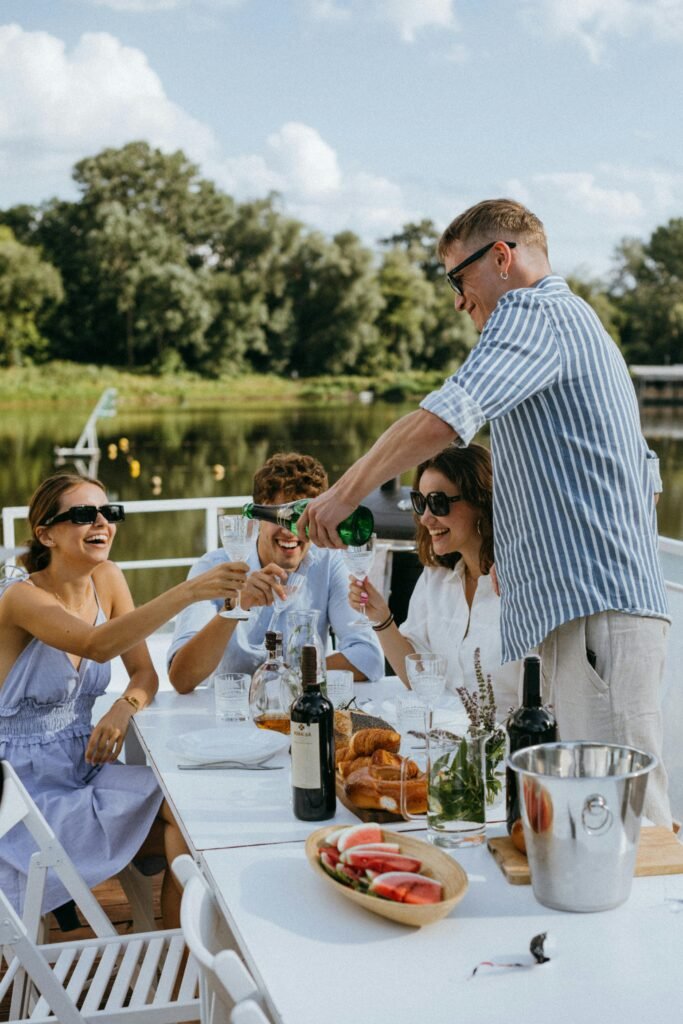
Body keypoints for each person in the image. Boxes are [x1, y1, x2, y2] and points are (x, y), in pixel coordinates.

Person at [299, 198, 671, 826]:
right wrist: (523, 559)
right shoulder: (575, 324)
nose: (458, 301)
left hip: (596, 613)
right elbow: (643, 476)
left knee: (624, 820)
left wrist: (343, 494)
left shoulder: (533, 310)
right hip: (587, 610)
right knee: (586, 816)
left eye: (457, 278)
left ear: (502, 257)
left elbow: (445, 418)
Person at [0, 471, 246, 924]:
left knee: (187, 806)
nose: (101, 522)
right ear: (45, 534)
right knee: (182, 826)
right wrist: (191, 590)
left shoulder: (108, 579)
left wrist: (123, 706)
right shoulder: (20, 598)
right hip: (24, 789)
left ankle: (179, 951)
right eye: (82, 515)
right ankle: (176, 948)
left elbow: (144, 674)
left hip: (85, 763)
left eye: (108, 512)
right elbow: (96, 645)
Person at [167, 452, 384, 692]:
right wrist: (238, 605)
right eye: (280, 517)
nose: (291, 532)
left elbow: (369, 658)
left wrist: (283, 680)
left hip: (299, 710)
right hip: (230, 713)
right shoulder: (212, 567)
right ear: (258, 518)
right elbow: (182, 678)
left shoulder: (329, 563)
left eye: (303, 519)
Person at [349, 443, 520, 715]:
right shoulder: (435, 578)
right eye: (420, 502)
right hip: (445, 742)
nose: (426, 518)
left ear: (480, 501)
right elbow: (417, 679)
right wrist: (381, 617)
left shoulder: (523, 586)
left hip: (509, 746)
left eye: (438, 503)